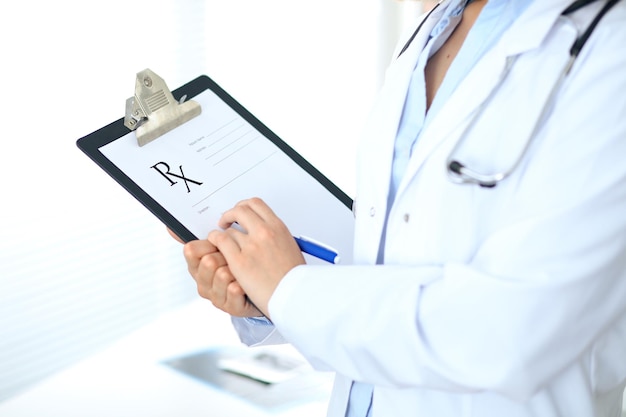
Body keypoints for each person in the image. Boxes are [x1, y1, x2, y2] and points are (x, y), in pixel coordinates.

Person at [173, 0, 626, 415]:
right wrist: (264, 285)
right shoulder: (434, 27)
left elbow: (516, 330)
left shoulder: (609, 48)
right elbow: (390, 259)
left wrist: (290, 291)